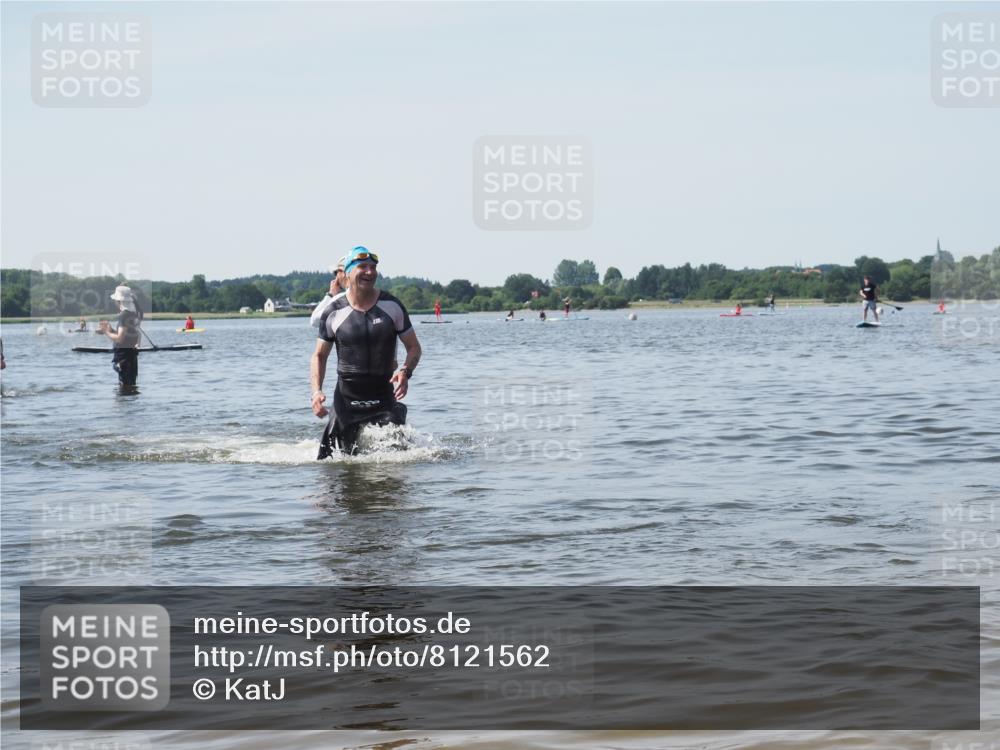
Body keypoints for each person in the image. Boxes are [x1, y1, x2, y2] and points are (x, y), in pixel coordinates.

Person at [311, 247, 422, 457]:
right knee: (334, 464)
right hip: (347, 399)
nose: (370, 272)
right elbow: (319, 356)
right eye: (363, 267)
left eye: (373, 267)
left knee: (397, 461)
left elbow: (414, 347)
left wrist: (406, 371)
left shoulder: (392, 306)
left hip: (383, 396)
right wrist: (316, 392)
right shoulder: (333, 311)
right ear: (348, 272)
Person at [99, 285, 143, 389]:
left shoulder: (123, 316)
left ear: (118, 301)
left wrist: (106, 331)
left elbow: (120, 338)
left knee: (124, 392)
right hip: (131, 357)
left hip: (124, 358)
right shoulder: (132, 314)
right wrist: (110, 330)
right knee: (131, 389)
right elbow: (126, 335)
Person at [310, 254, 349, 328]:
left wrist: (330, 294)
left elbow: (314, 321)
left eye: (336, 273)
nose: (335, 277)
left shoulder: (341, 298)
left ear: (343, 274)